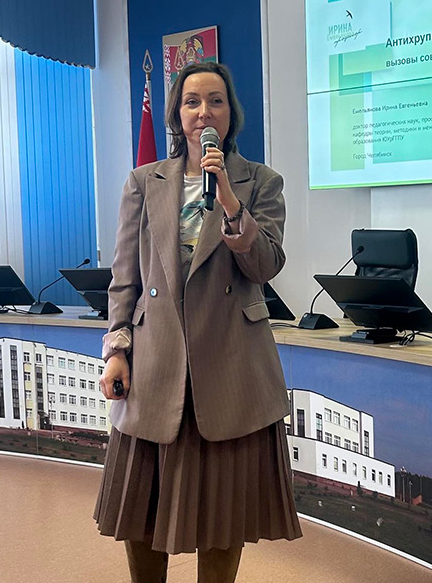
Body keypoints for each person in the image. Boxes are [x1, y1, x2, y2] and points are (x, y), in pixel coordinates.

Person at [94, 61, 302, 583]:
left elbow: (265, 266)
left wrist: (229, 199)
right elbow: (125, 276)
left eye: (215, 100)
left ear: (231, 113)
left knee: (223, 517)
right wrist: (116, 350)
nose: (203, 112)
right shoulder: (144, 182)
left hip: (231, 364)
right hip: (155, 363)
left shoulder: (262, 182)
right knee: (143, 513)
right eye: (191, 102)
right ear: (176, 114)